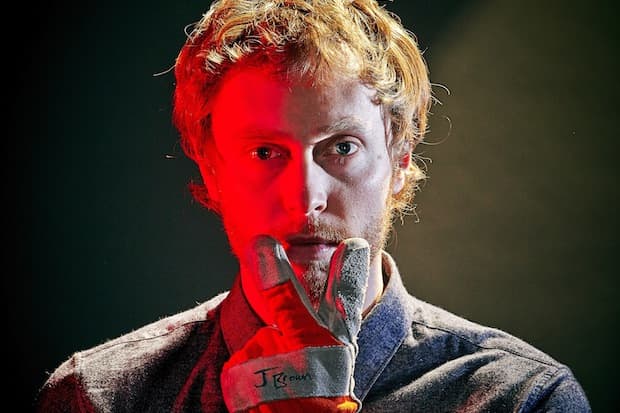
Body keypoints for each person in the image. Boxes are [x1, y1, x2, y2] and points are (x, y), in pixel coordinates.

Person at [36, 0, 592, 412]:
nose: (306, 197)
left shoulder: (520, 399)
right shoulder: (98, 397)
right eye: (264, 152)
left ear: (400, 160)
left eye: (341, 148)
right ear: (211, 171)